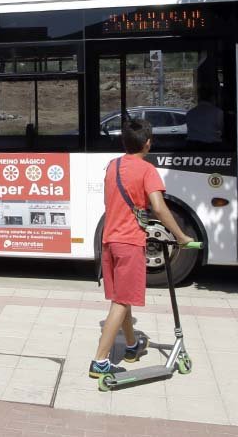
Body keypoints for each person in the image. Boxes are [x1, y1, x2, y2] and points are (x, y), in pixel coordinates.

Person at [90, 118, 194, 378]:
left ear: (124, 142)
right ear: (148, 143)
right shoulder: (147, 170)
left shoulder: (112, 166)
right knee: (123, 301)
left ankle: (132, 345)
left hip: (109, 241)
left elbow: (109, 202)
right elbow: (158, 207)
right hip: (129, 242)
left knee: (120, 299)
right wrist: (181, 236)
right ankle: (100, 361)